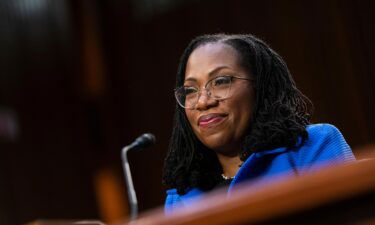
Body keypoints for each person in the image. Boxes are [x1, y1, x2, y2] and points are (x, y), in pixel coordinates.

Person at [162, 34, 356, 212]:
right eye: (190, 90)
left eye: (220, 81)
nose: (203, 101)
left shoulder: (312, 147)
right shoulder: (180, 199)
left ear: (260, 87)